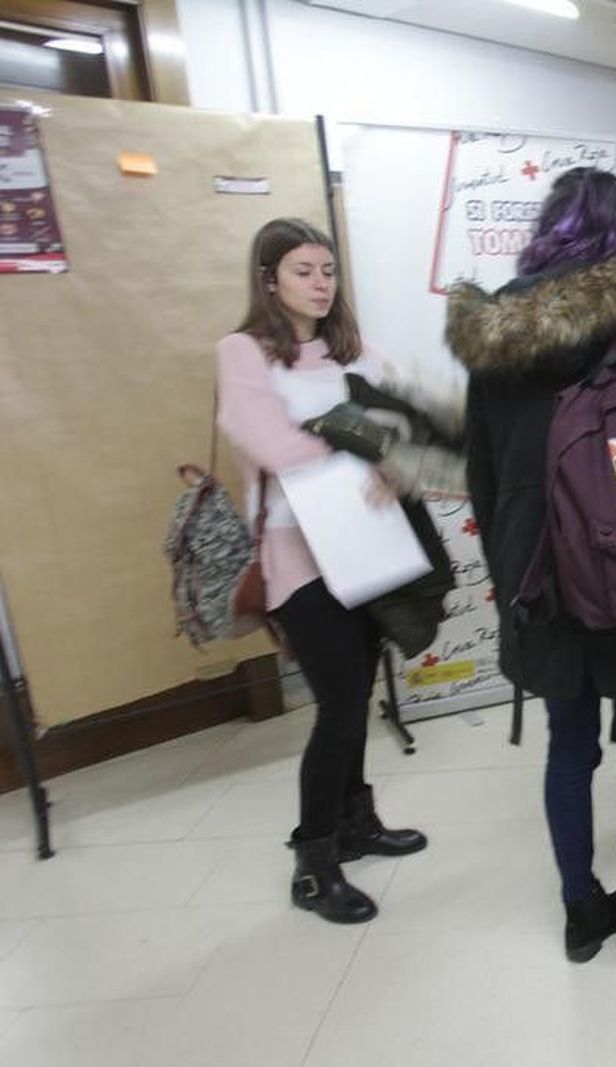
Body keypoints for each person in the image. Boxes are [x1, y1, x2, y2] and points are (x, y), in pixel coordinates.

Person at [447, 168, 616, 972]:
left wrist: (515, 566)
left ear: (546, 228)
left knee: (568, 746)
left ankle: (578, 910)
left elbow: (482, 473)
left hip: (541, 575)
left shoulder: (495, 329)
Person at [216, 218, 429, 926]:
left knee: (358, 690)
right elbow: (271, 443)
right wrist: (364, 446)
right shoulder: (243, 352)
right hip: (297, 550)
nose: (319, 282)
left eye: (328, 270)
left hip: (363, 541)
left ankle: (356, 822)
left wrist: (393, 462)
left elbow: (408, 418)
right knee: (339, 703)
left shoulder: (350, 349)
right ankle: (313, 862)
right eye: (303, 269)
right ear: (269, 278)